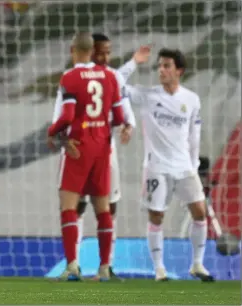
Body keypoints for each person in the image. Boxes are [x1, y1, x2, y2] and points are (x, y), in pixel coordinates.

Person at [51, 33, 151, 278]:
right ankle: (104, 266)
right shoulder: (109, 77)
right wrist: (126, 125)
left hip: (77, 145)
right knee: (103, 208)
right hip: (103, 147)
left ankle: (73, 264)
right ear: (93, 50)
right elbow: (119, 115)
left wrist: (54, 133)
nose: (106, 56)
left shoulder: (70, 78)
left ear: (72, 49)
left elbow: (65, 115)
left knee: (69, 206)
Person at [125, 48, 213, 282]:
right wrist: (134, 62)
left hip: (185, 167)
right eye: (159, 66)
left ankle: (197, 264)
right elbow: (115, 84)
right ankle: (159, 269)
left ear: (179, 71)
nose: (161, 70)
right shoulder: (147, 95)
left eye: (166, 66)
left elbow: (194, 135)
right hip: (157, 167)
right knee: (156, 216)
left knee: (200, 213)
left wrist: (193, 165)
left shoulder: (191, 99)